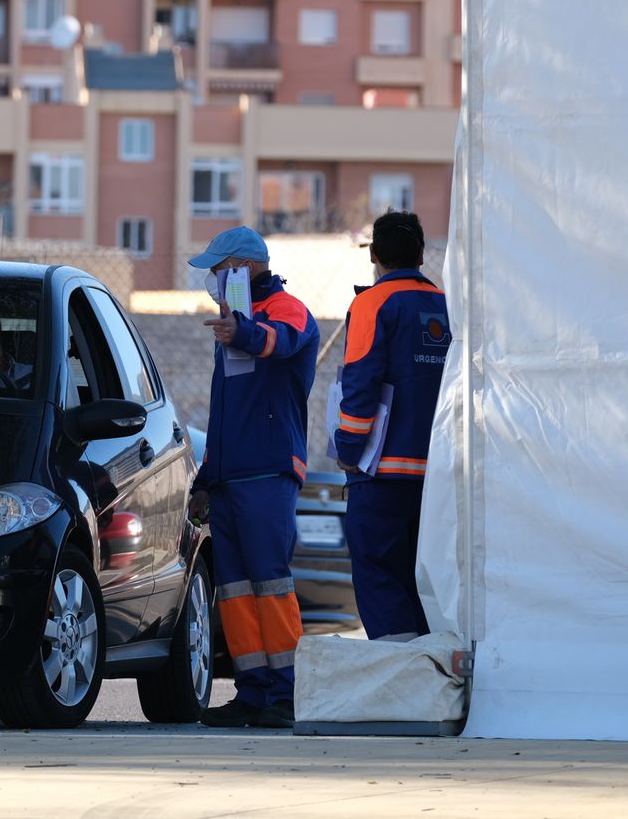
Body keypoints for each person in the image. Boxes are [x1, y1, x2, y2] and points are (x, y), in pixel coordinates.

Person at [186, 226, 320, 729]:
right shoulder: (232, 323)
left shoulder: (285, 308)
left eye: (218, 271)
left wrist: (240, 332)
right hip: (230, 475)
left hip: (267, 471)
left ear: (244, 267)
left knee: (269, 583)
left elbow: (283, 343)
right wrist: (205, 478)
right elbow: (226, 413)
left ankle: (285, 696)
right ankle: (252, 692)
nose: (213, 280)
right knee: (237, 591)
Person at [334, 211, 451, 642]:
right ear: (421, 255)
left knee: (381, 580)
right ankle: (437, 681)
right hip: (441, 476)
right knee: (429, 586)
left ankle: (404, 685)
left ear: (376, 255)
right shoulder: (448, 305)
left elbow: (360, 383)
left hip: (382, 474)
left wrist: (348, 450)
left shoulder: (372, 304)